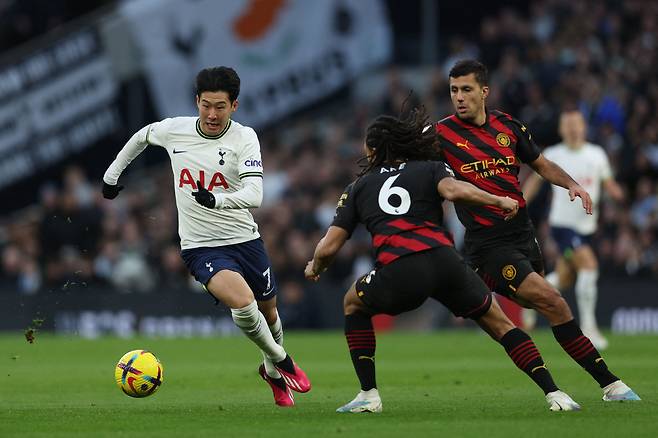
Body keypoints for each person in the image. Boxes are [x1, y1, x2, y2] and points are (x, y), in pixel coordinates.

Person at [305, 106, 582, 413]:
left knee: (351, 302)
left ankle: (368, 395)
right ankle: (555, 393)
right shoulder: (429, 168)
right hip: (446, 262)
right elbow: (454, 190)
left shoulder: (359, 187)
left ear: (372, 150)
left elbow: (329, 248)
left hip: (401, 269)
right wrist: (498, 199)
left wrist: (315, 267)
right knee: (501, 324)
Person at [102, 66, 309, 407]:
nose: (212, 114)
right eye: (206, 105)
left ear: (234, 106)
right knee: (243, 303)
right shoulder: (175, 130)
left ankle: (271, 373)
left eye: (221, 107)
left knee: (270, 314)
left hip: (245, 239)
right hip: (201, 246)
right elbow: (142, 136)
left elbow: (255, 194)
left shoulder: (244, 137)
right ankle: (284, 363)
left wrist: (218, 200)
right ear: (197, 101)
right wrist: (111, 177)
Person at [434, 59, 639, 401]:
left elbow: (540, 164)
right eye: (454, 90)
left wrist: (572, 185)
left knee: (539, 304)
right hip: (488, 243)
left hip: (523, 235)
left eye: (466, 89)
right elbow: (406, 160)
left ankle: (480, 283)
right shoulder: (442, 134)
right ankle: (610, 384)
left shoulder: (508, 126)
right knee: (554, 302)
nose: (459, 97)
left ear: (484, 92)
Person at [521, 109, 624, 350]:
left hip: (588, 227)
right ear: (561, 129)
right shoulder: (553, 154)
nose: (573, 128)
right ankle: (589, 330)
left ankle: (531, 298)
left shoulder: (596, 154)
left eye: (576, 124)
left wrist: (618, 194)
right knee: (589, 266)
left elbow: (608, 184)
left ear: (584, 127)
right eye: (568, 124)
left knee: (565, 278)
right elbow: (535, 182)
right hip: (563, 227)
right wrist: (520, 203)